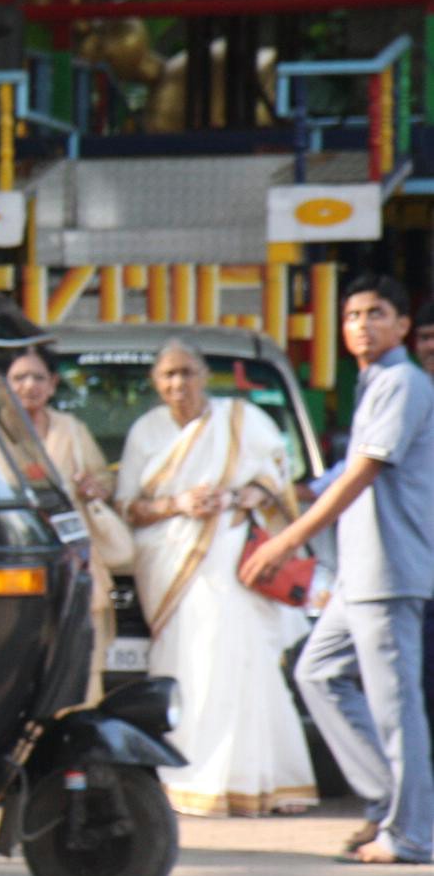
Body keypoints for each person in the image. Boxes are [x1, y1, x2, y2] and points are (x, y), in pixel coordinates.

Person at [242, 278, 432, 863]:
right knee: (318, 673)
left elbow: (361, 474)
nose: (361, 325)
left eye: (376, 314)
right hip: (360, 570)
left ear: (401, 326)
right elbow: (333, 477)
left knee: (395, 705)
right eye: (352, 315)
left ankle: (412, 833)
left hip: (390, 567)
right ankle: (386, 805)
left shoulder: (403, 383)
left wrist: (286, 542)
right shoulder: (377, 383)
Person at [117, 340, 314, 817]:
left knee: (242, 664)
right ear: (156, 384)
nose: (178, 384)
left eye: (186, 372)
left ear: (204, 375)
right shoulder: (146, 431)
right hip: (170, 568)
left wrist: (244, 495)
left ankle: (261, 781)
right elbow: (128, 507)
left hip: (231, 560)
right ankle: (189, 776)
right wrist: (178, 505)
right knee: (190, 666)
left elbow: (278, 483)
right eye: (168, 376)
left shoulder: (241, 420)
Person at [7, 344, 121, 701]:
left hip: (73, 561)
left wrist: (94, 487)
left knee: (79, 663)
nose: (29, 386)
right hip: (13, 565)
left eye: (38, 377)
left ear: (53, 384)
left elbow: (105, 479)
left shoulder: (71, 429)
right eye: (19, 378)